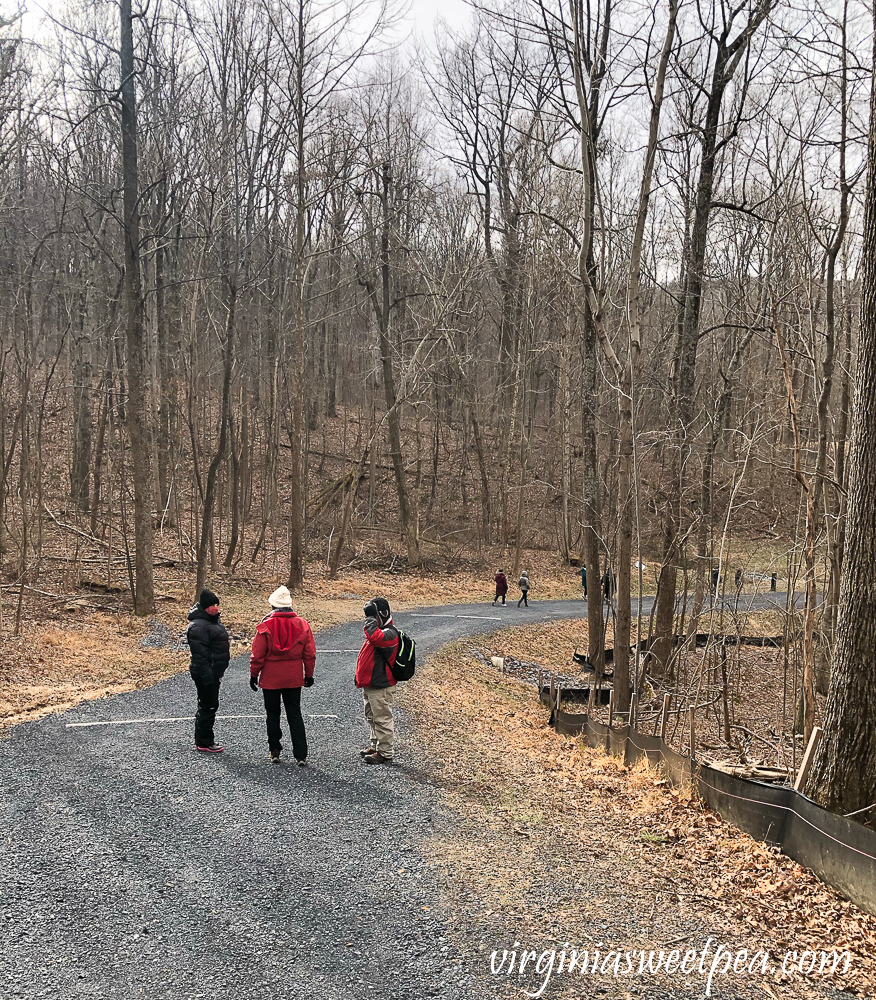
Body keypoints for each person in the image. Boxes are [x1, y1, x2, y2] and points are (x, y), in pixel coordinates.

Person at [249, 585, 316, 765]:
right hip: (293, 676)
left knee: (272, 714)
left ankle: (275, 750)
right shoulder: (302, 624)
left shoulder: (265, 626)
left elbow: (258, 654)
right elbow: (309, 653)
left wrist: (253, 674)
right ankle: (301, 754)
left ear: (273, 606)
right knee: (295, 713)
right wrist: (308, 674)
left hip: (271, 677)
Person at [355, 597, 400, 765]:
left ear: (381, 614)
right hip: (372, 684)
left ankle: (385, 752)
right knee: (372, 717)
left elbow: (374, 637)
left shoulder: (390, 633)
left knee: (382, 718)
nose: (371, 620)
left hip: (381, 685)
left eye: (374, 616)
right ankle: (375, 746)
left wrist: (370, 620)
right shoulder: (382, 631)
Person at [187, 587, 230, 753]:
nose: (216, 607)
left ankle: (203, 739)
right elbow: (200, 657)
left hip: (213, 672)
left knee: (209, 704)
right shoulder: (198, 626)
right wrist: (208, 678)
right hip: (206, 673)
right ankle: (204, 741)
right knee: (208, 705)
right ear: (205, 607)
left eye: (217, 604)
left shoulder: (211, 621)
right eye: (213, 605)